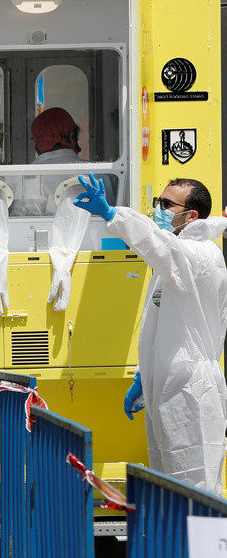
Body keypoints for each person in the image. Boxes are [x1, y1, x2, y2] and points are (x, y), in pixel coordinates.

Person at [74, 174, 227, 494]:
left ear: (191, 215)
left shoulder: (199, 256)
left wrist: (114, 215)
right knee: (171, 487)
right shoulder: (177, 259)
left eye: (166, 204)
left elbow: (158, 245)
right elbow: (162, 330)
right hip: (171, 387)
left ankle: (199, 546)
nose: (157, 210)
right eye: (157, 202)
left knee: (195, 490)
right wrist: (146, 376)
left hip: (192, 394)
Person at [14, 107, 85, 216]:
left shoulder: (29, 177)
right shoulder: (102, 173)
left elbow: (21, 220)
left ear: (38, 143)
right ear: (72, 136)